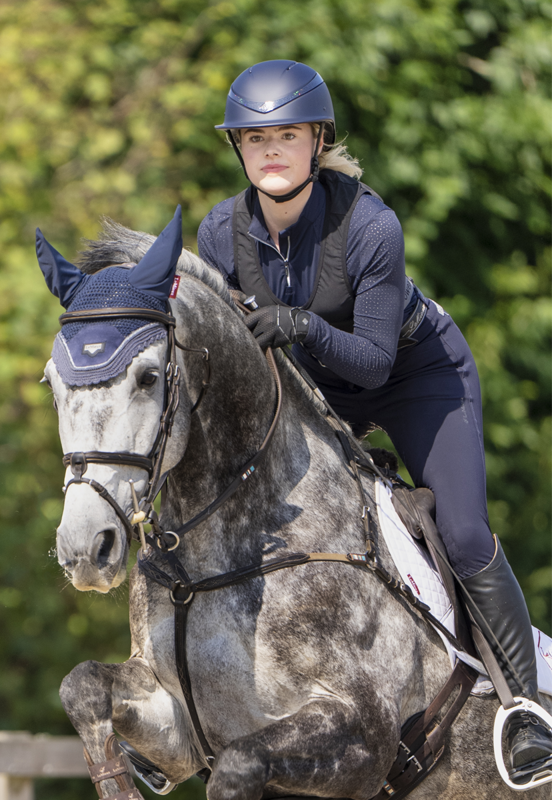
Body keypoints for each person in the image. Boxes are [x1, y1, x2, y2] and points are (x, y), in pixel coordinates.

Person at [197, 59, 552, 782]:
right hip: (314, 386)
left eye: (286, 135)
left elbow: (371, 364)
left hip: (413, 376)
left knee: (459, 531)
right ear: (237, 148)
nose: (269, 150)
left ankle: (530, 711)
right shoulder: (219, 234)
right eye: (254, 138)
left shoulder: (369, 224)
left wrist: (300, 323)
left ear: (316, 139)